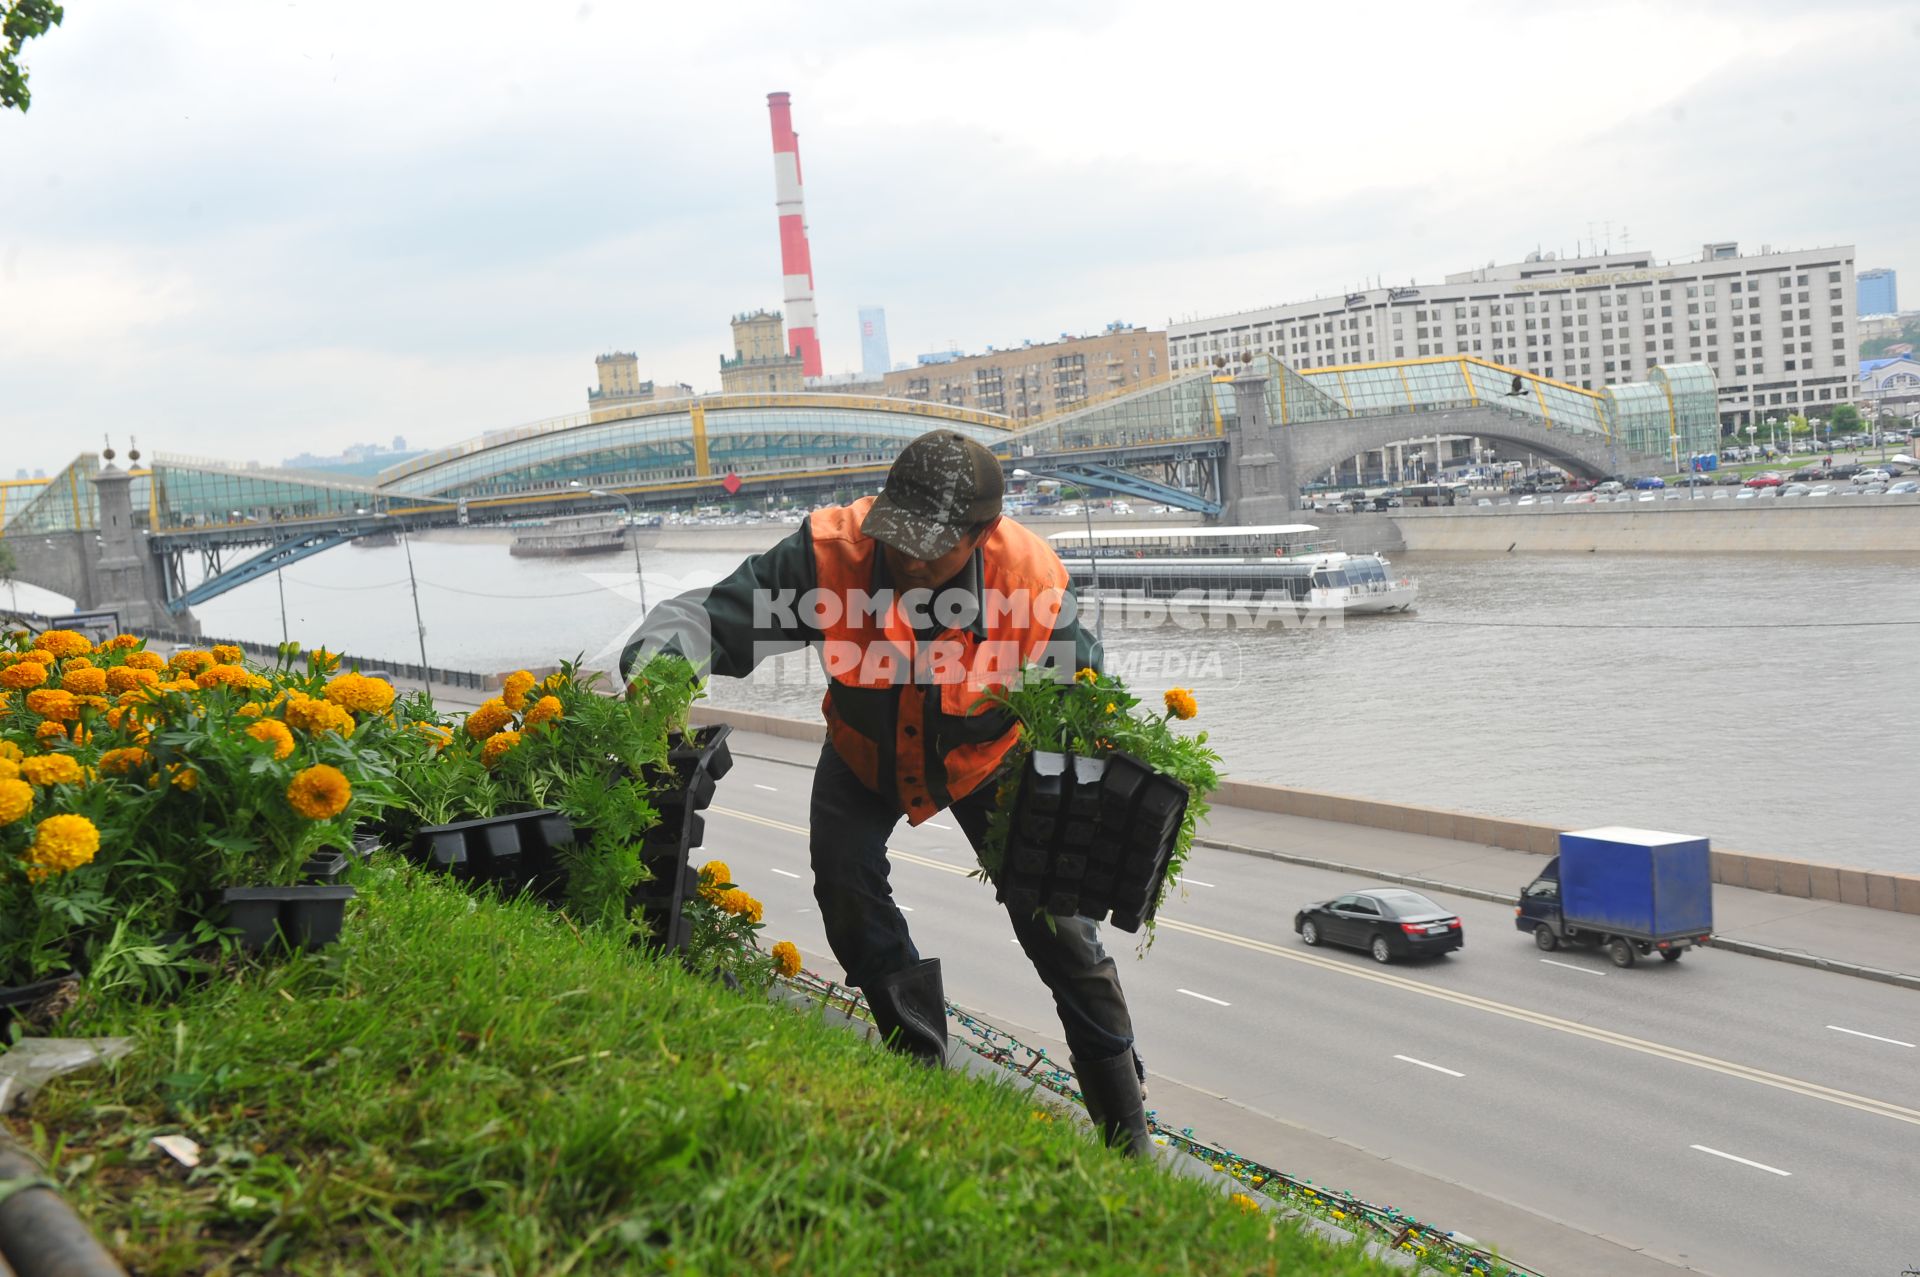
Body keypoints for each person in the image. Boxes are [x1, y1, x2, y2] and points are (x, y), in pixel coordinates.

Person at [620, 429, 1152, 1155]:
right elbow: (707, 619)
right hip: (864, 751)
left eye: (930, 545)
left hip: (984, 758)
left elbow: (1090, 700)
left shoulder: (1027, 582)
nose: (906, 557)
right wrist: (656, 671)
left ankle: (1126, 1132)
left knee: (1062, 928)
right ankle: (919, 1057)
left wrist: (1114, 764)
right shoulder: (827, 558)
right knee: (844, 881)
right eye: (898, 535)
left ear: (982, 532)